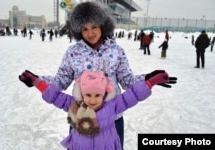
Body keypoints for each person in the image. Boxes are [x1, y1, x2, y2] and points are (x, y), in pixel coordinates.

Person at [19, 2, 175, 149]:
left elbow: (128, 81)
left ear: (103, 25)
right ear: (78, 30)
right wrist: (38, 81)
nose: (90, 33)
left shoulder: (116, 51)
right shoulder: (73, 52)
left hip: (112, 118)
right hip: (81, 118)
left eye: (94, 26)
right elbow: (61, 80)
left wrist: (148, 78)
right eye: (84, 29)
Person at [19, 70, 177, 150]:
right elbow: (54, 96)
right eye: (88, 95)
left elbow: (133, 95)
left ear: (105, 94)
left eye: (97, 95)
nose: (93, 99)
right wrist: (37, 82)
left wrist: (150, 82)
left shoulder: (113, 105)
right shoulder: (74, 105)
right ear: (81, 93)